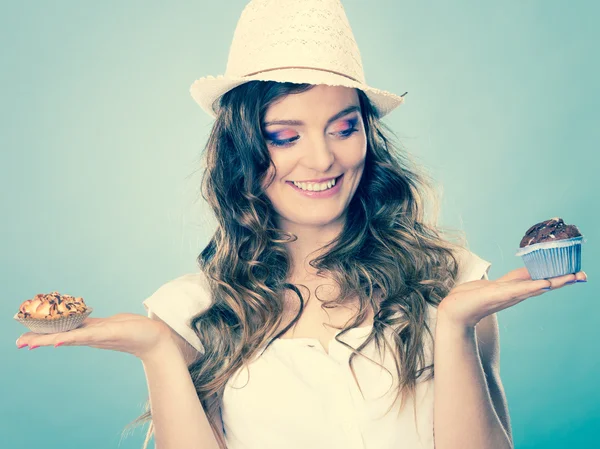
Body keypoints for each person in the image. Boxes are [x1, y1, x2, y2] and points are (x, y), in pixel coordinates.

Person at [15, 1, 586, 449]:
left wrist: (455, 326)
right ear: (242, 149)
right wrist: (160, 353)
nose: (322, 160)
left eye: (343, 128)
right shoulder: (190, 312)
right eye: (285, 137)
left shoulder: (453, 280)